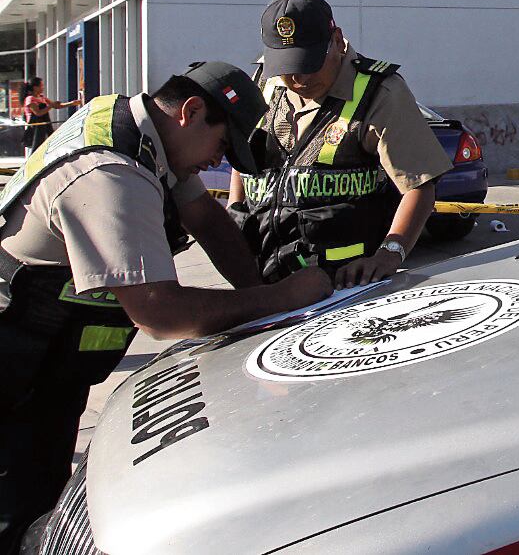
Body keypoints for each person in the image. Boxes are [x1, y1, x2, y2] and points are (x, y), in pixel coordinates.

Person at [0, 62, 332, 554]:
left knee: (44, 489)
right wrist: (283, 298)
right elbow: (159, 312)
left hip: (43, 362)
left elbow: (205, 217)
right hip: (15, 362)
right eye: (222, 146)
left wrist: (262, 297)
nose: (217, 161)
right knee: (16, 509)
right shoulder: (111, 172)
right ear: (190, 112)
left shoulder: (138, 131)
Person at [229, 0, 452, 289]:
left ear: (337, 40)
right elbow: (244, 160)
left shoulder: (380, 92)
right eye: (288, 68)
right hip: (263, 280)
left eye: (309, 64)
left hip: (342, 285)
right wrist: (235, 212)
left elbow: (420, 185)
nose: (299, 79)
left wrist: (390, 254)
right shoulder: (264, 81)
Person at [21, 78, 78, 154]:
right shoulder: (30, 99)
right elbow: (38, 113)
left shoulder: (42, 97)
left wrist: (72, 103)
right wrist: (50, 106)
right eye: (41, 86)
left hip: (45, 124)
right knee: (37, 147)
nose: (43, 87)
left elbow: (56, 106)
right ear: (35, 87)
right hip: (36, 127)